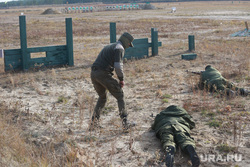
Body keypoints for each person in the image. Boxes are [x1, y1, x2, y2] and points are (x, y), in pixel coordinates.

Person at [90, 32, 135, 130]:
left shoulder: (111, 45)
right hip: (103, 74)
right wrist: (121, 79)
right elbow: (118, 66)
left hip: (94, 74)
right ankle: (125, 123)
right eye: (129, 44)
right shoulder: (119, 48)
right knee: (120, 95)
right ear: (126, 42)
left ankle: (93, 124)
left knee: (102, 97)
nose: (128, 46)